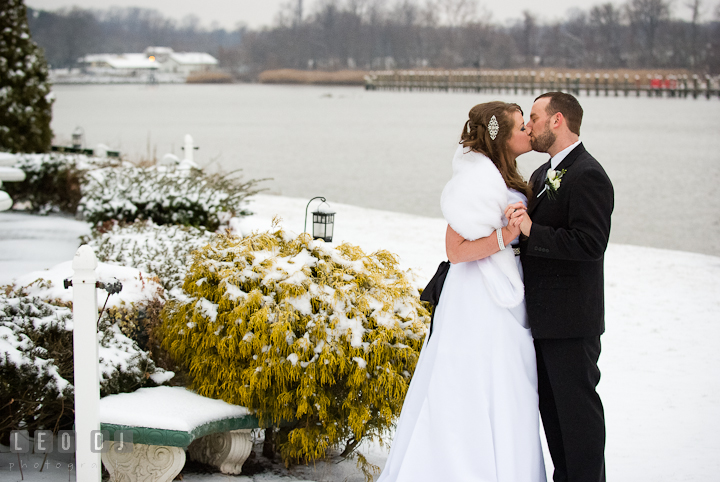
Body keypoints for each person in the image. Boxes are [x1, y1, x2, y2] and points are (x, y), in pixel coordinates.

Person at [377, 102, 546, 482]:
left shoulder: (506, 176)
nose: (528, 133)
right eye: (521, 127)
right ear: (502, 138)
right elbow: (455, 250)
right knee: (470, 383)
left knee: (509, 389)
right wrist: (507, 236)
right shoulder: (477, 181)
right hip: (478, 298)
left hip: (506, 294)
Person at [508, 92, 614, 482]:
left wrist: (533, 230)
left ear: (557, 121)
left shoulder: (589, 175)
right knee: (553, 417)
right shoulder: (539, 174)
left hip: (572, 323)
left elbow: (590, 244)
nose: (528, 126)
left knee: (579, 419)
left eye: (533, 117)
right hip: (541, 320)